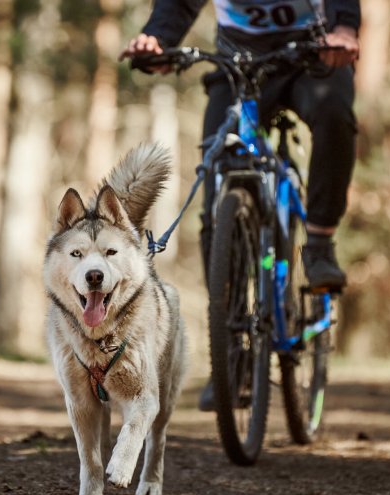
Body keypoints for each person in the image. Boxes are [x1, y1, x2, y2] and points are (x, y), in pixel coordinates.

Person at [121, 0, 360, 411]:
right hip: (239, 62)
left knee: (334, 113)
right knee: (217, 177)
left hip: (312, 55)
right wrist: (158, 41)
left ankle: (319, 242)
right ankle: (231, 357)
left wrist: (346, 30)